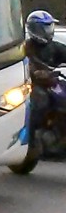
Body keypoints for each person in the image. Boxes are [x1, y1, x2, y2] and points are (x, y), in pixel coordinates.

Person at [24, 10, 66, 154]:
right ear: (35, 29)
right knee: (41, 101)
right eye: (45, 28)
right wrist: (36, 72)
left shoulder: (54, 47)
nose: (48, 31)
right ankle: (31, 140)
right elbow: (27, 63)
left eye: (49, 27)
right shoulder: (26, 47)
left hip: (54, 82)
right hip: (34, 84)